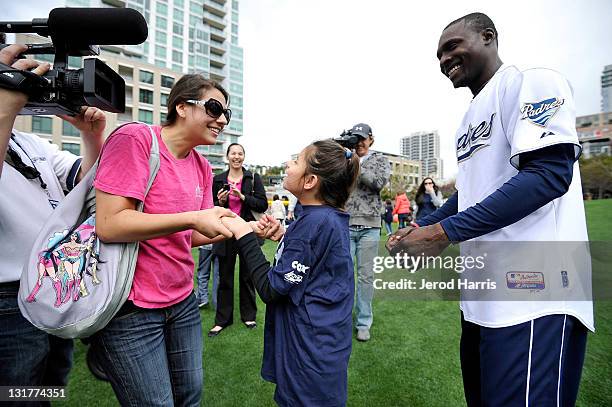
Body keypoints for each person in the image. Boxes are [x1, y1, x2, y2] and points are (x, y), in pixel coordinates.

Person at [388, 13, 593, 406]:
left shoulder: (531, 81)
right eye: (438, 54)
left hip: (538, 294)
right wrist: (422, 226)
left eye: (452, 47)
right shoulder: (468, 117)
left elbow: (548, 175)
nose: (444, 59)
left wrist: (442, 234)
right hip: (484, 296)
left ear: (488, 37)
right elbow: (470, 194)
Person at [91, 74, 236, 405]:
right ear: (182, 107)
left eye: (228, 113)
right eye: (215, 108)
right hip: (130, 307)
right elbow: (110, 224)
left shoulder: (201, 165)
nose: (223, 120)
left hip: (182, 300)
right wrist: (193, 217)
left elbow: (192, 234)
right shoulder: (136, 138)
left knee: (190, 397)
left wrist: (237, 228)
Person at [0, 40, 106, 397]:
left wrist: (91, 139)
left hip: (49, 284)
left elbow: (85, 186)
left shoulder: (27, 142)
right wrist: (5, 103)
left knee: (47, 388)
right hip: (7, 299)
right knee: (14, 394)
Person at [220, 139, 360, 407]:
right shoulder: (323, 217)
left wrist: (244, 233)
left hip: (308, 353)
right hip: (322, 346)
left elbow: (271, 289)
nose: (287, 163)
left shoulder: (313, 224)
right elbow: (317, 257)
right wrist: (286, 236)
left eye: (296, 161)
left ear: (310, 182)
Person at [208, 143, 268, 336]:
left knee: (247, 276)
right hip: (224, 232)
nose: (236, 157)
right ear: (227, 156)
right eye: (233, 153)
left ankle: (248, 315)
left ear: (244, 156)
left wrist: (242, 196)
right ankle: (222, 320)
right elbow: (210, 206)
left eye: (240, 153)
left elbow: (262, 204)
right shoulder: (218, 179)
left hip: (247, 231)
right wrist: (222, 202)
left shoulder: (252, 177)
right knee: (224, 277)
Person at [345, 123, 390, 341]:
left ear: (371, 139)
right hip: (345, 223)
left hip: (370, 226)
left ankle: (363, 322)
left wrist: (355, 163)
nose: (359, 142)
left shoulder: (379, 159)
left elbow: (377, 183)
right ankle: (341, 318)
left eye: (362, 138)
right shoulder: (345, 157)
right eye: (355, 138)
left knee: (365, 277)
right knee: (342, 274)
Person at [195, 243, 219, 308]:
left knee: (203, 272)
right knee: (217, 275)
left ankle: (203, 298)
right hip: (218, 245)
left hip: (206, 245)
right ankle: (216, 302)